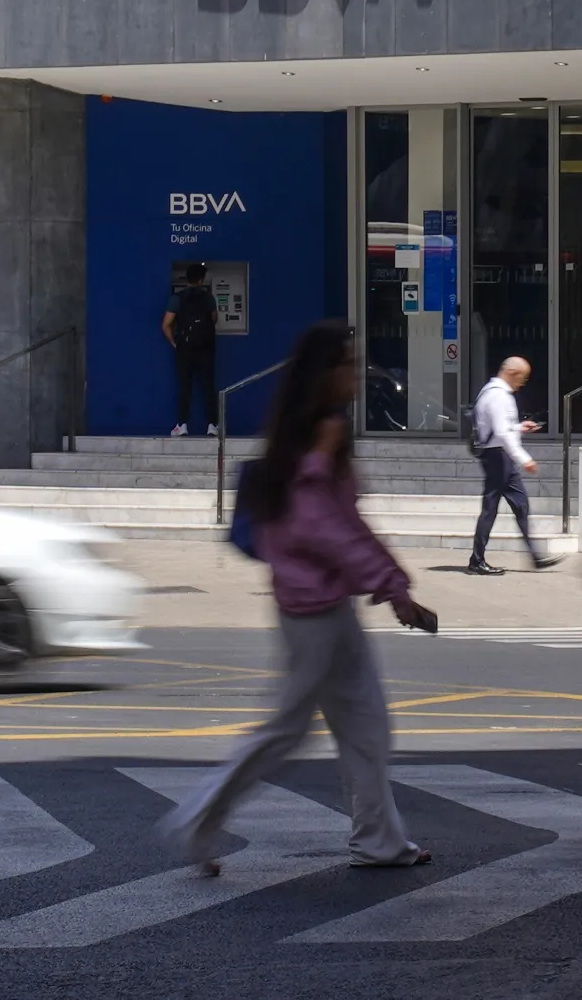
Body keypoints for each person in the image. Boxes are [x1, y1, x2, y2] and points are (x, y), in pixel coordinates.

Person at [159, 320, 436, 873]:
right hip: (312, 610)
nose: (357, 373)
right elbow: (323, 528)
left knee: (365, 725)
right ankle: (197, 821)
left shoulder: (313, 432)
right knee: (287, 730)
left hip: (326, 604)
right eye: (348, 363)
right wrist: (393, 587)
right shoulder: (317, 439)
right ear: (324, 374)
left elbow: (347, 523)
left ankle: (379, 841)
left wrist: (392, 581)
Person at [468, 356, 558, 574]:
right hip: (498, 457)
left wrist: (519, 427)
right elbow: (501, 433)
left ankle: (535, 556)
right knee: (491, 509)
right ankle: (477, 560)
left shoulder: (490, 392)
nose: (522, 384)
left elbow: (503, 430)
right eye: (523, 378)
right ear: (513, 372)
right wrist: (524, 458)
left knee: (520, 505)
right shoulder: (498, 396)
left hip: (500, 456)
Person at [162, 263, 219, 437]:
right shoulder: (208, 297)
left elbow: (165, 325)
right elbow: (214, 320)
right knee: (208, 386)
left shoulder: (176, 298)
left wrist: (175, 343)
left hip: (184, 348)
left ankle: (182, 425)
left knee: (185, 386)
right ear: (201, 280)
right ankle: (212, 426)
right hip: (205, 348)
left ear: (187, 278)